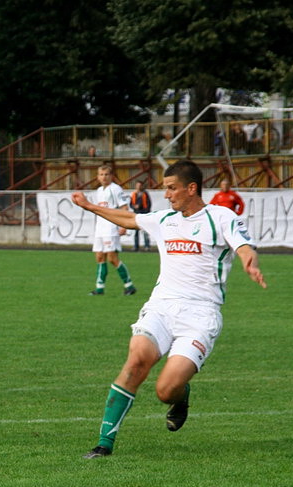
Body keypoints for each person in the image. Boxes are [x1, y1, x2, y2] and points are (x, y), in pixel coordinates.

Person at [71, 159, 266, 459]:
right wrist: (89, 206)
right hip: (161, 307)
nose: (167, 195)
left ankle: (181, 394)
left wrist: (248, 258)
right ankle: (103, 444)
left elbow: (243, 245)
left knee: (166, 390)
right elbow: (128, 219)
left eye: (172, 188)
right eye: (165, 189)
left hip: (200, 314)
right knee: (136, 361)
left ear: (191, 188)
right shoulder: (164, 220)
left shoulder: (220, 217)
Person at [86, 165, 137, 295]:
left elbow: (124, 207)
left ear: (111, 176)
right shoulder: (99, 191)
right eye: (101, 174)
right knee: (99, 257)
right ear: (97, 177)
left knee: (112, 258)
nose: (104, 177)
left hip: (111, 228)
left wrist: (124, 226)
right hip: (100, 228)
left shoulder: (115, 189)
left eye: (106, 174)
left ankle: (129, 285)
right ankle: (99, 288)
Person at [130, 181, 152, 251]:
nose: (139, 187)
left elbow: (148, 204)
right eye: (137, 185)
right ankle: (136, 246)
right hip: (136, 215)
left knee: (145, 231)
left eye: (140, 185)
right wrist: (134, 207)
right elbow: (130, 204)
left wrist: (143, 210)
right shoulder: (134, 194)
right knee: (136, 232)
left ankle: (147, 246)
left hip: (144, 214)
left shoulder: (145, 194)